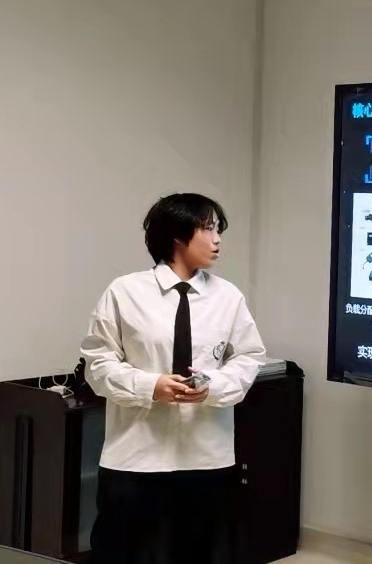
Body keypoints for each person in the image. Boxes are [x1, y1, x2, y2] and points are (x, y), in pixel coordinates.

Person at [80, 193, 266, 564]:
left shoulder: (228, 297)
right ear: (178, 235)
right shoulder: (125, 292)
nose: (217, 239)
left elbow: (249, 357)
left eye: (218, 230)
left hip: (207, 457)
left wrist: (213, 386)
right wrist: (151, 386)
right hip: (136, 457)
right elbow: (98, 365)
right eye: (208, 228)